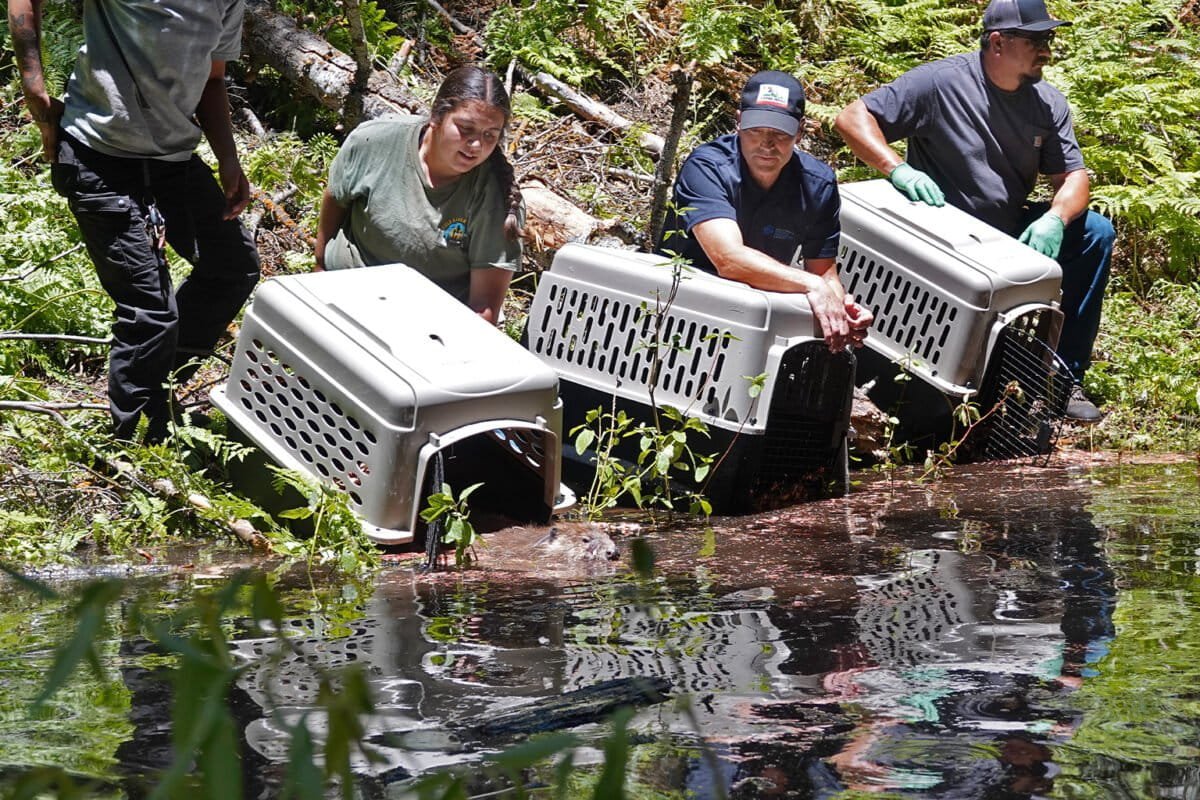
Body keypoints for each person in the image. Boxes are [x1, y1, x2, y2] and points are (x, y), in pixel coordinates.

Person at [834, 0, 1115, 422]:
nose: (1047, 50)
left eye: (1050, 39)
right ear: (998, 42)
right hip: (938, 229)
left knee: (1095, 232)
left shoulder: (1047, 103)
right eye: (1036, 40)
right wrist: (899, 169)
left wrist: (1055, 217)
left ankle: (1060, 380)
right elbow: (852, 118)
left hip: (1004, 235)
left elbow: (1073, 179)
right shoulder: (939, 83)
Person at [9, 0, 262, 443]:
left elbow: (214, 78)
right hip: (98, 155)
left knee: (232, 265)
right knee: (150, 312)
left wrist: (228, 159)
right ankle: (133, 442)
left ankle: (161, 387)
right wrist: (35, 89)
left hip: (173, 160)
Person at [658, 70, 873, 352]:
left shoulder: (818, 185)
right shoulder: (707, 168)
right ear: (738, 123)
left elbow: (823, 275)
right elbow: (728, 259)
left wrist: (840, 310)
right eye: (756, 130)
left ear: (800, 131)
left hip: (757, 318)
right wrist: (814, 287)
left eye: (780, 133)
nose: (766, 143)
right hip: (681, 304)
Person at [314, 65, 523, 325]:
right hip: (340, 293)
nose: (476, 145)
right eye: (465, 128)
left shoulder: (496, 195)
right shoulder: (375, 141)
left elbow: (483, 310)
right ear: (436, 117)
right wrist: (319, 268)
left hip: (420, 325)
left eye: (490, 135)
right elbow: (335, 198)